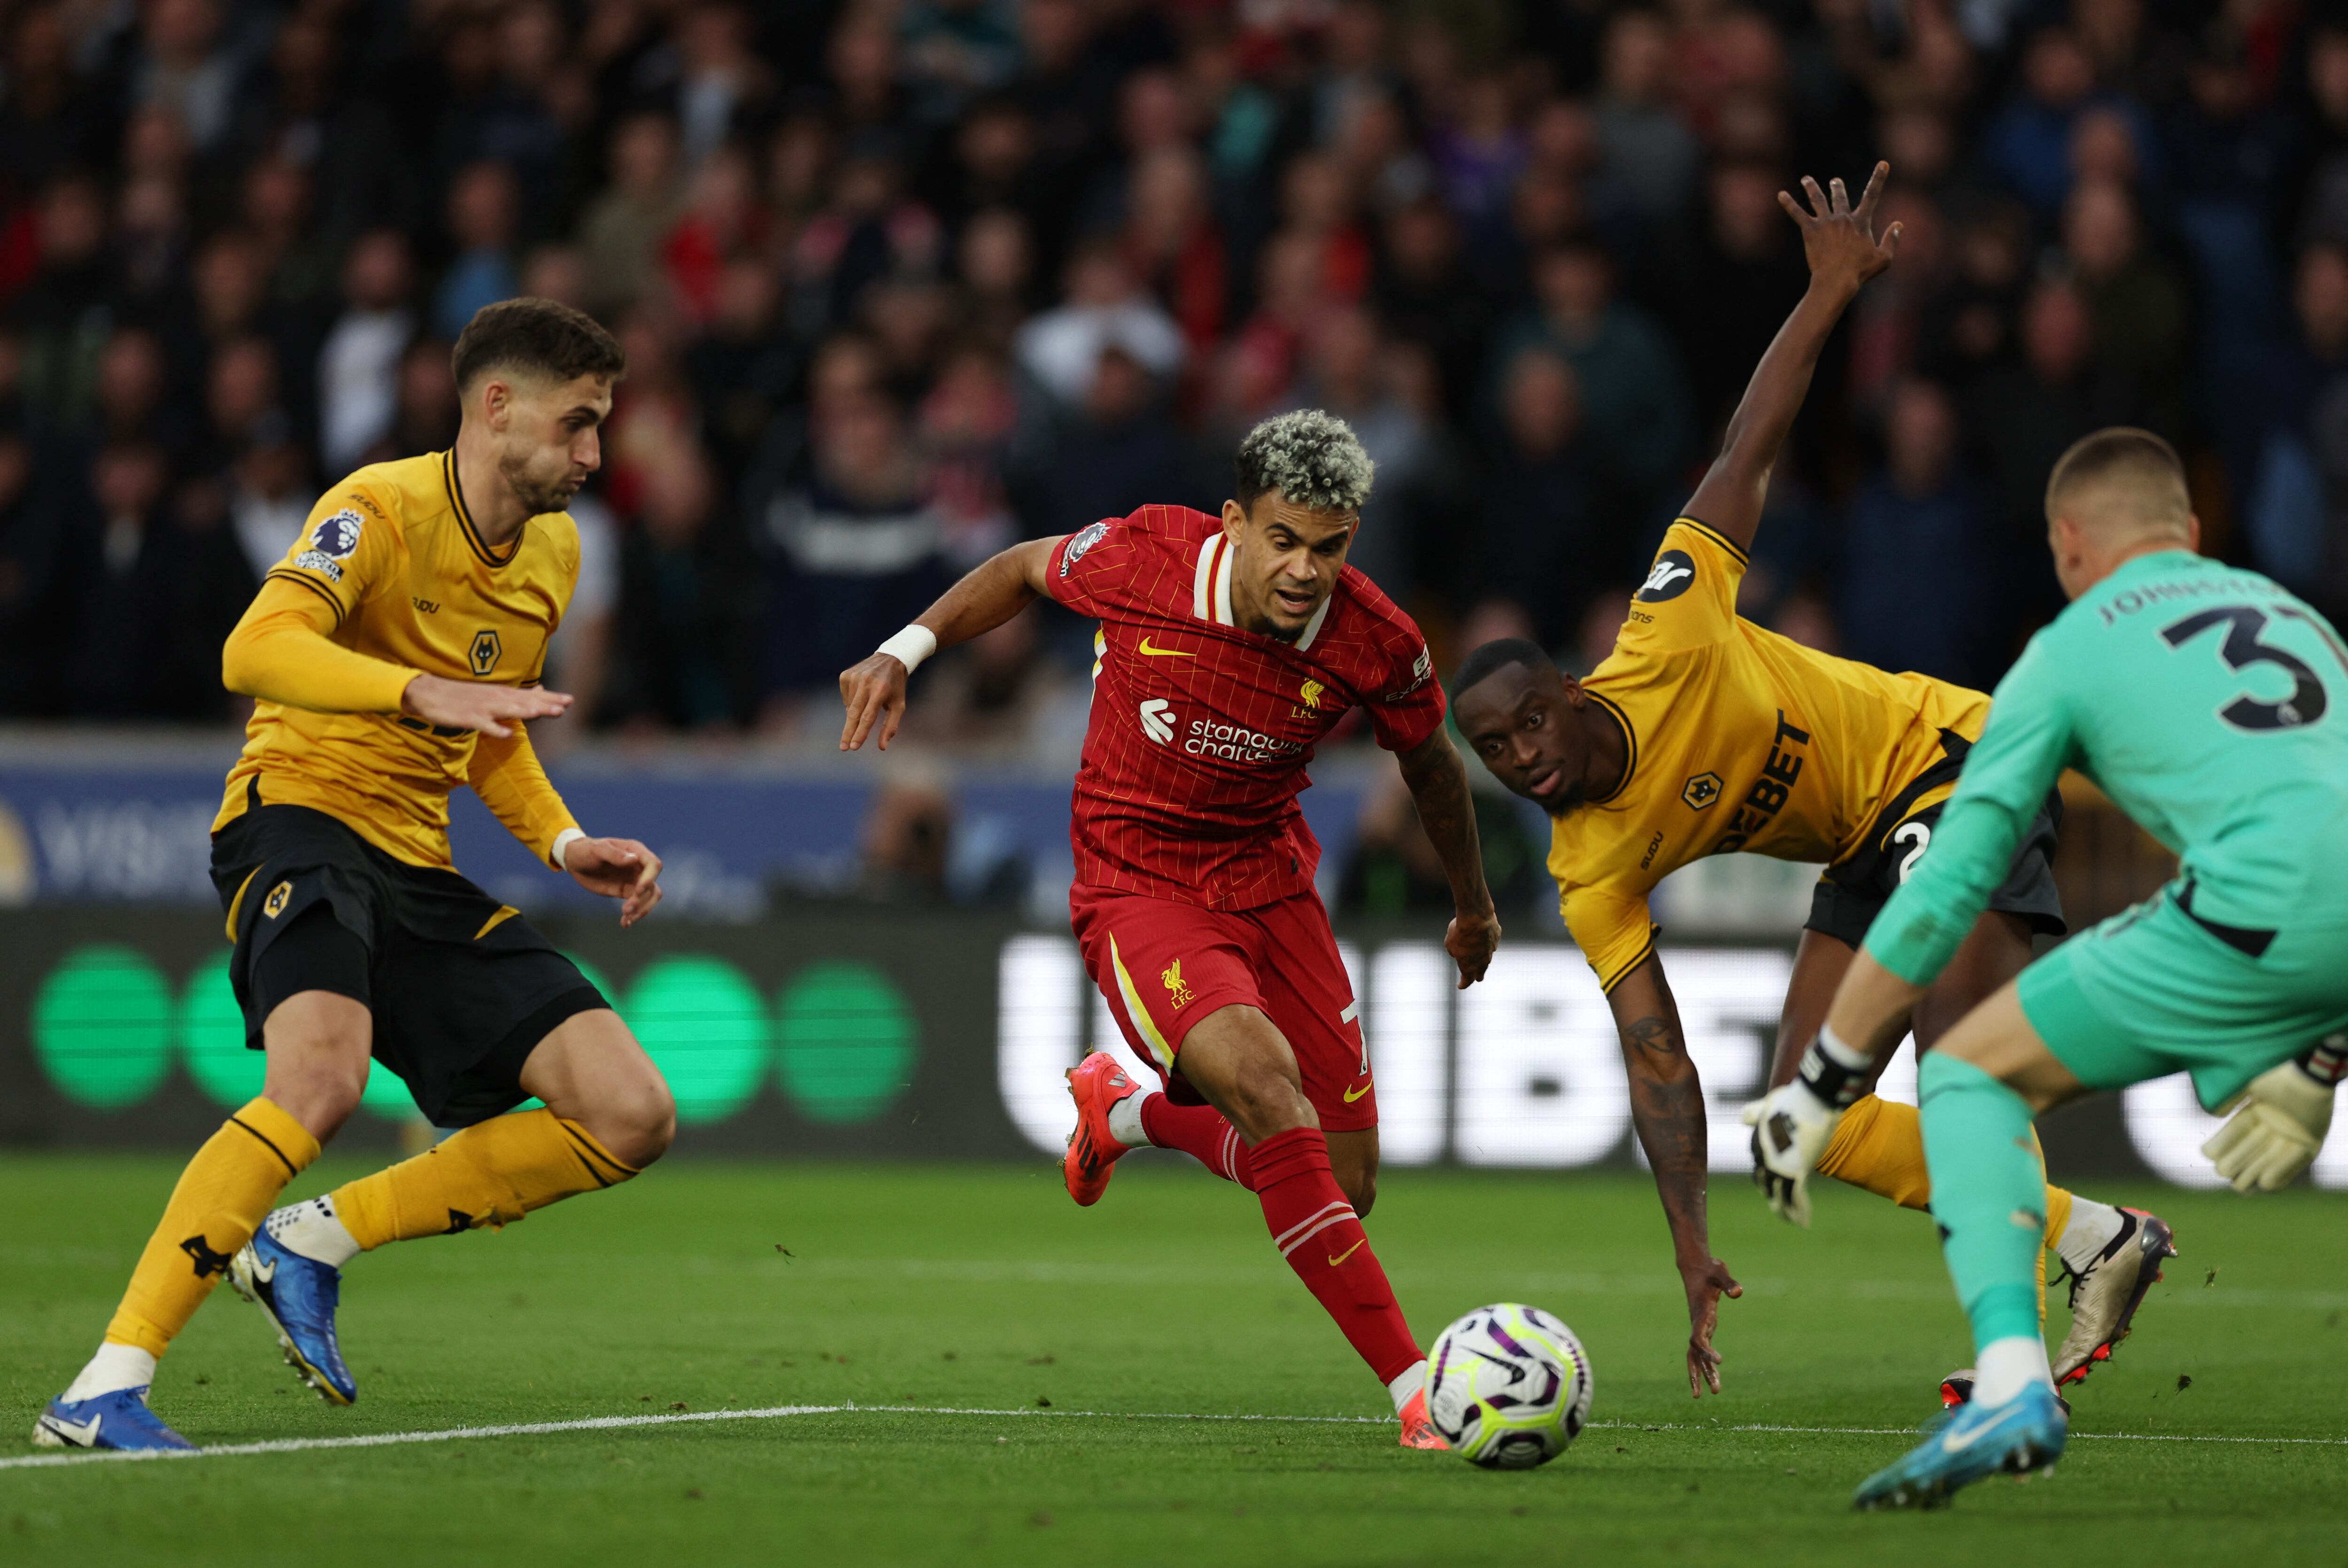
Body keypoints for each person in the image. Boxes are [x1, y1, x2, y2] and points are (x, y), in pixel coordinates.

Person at [1449, 166, 2163, 1403]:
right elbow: (1656, 1057)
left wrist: (1832, 289)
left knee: (1955, 1056)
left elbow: (1751, 442)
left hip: (1956, 763)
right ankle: (2095, 1237)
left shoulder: (1671, 622)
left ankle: (2016, 1352)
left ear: (1567, 688)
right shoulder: (1588, 864)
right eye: (1495, 756)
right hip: (1864, 841)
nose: (1521, 760)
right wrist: (1687, 1246)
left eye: (1525, 728)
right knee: (1805, 1119)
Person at [35, 300, 676, 1453]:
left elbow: (495, 732)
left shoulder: (555, 552)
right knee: (319, 1080)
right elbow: (253, 648)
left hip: (415, 857)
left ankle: (311, 1239)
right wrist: (414, 690)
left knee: (630, 1111)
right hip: (298, 819)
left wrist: (566, 843)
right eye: (579, 423)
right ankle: (105, 1382)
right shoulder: (378, 506)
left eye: (601, 427)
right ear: (497, 405)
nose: (594, 453)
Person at [839, 410, 1501, 1447]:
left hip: (1268, 881)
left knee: (1346, 1178)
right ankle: (1417, 1390)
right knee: (1268, 1085)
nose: (1302, 570)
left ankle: (1127, 1115)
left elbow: (1431, 764)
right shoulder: (1146, 556)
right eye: (1281, 539)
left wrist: (1472, 901)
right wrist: (905, 648)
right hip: (1136, 875)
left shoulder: (1377, 640)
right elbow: (1019, 567)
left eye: (1328, 548)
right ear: (1234, 522)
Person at [1750, 427, 2348, 1507]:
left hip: (2247, 913)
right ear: (2192, 534)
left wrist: (1825, 1079)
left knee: (1970, 1074)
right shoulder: (2299, 622)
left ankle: (2012, 1384)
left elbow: (1941, 892)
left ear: (2067, 543)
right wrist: (2321, 1050)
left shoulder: (2066, 651)